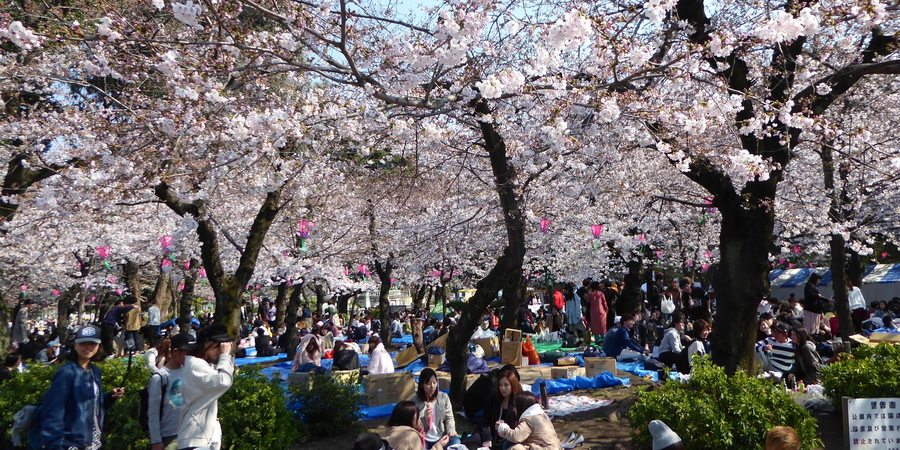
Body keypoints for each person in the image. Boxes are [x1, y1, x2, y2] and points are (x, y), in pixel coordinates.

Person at [28, 325, 126, 449]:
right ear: (75, 345)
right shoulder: (67, 373)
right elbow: (53, 412)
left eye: (93, 343)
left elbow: (91, 407)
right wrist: (55, 445)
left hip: (94, 444)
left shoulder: (95, 371)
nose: (88, 347)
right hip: (70, 444)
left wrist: (110, 397)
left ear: (98, 346)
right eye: (83, 343)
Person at [178, 324, 234, 450]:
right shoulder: (195, 365)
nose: (220, 351)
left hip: (201, 438)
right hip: (195, 439)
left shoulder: (203, 365)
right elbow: (224, 381)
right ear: (206, 344)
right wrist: (225, 356)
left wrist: (226, 357)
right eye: (218, 346)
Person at [149, 334, 195, 450]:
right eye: (187, 354)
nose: (191, 358)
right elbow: (153, 412)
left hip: (189, 433)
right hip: (169, 437)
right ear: (175, 351)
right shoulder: (160, 377)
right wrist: (156, 440)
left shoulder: (189, 371)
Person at [476, 365, 522, 449]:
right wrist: (487, 438)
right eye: (500, 385)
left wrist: (504, 428)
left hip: (509, 437)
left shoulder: (518, 401)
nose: (503, 388)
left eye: (506, 385)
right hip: (492, 436)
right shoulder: (492, 399)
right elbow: (485, 421)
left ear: (513, 385)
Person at [411, 368, 459, 449]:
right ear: (422, 384)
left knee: (456, 442)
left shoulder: (443, 397)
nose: (432, 386)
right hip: (424, 438)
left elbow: (449, 418)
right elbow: (413, 426)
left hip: (441, 438)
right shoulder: (415, 401)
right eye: (428, 383)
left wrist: (451, 430)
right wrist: (424, 420)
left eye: (434, 382)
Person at [496, 392, 560, 450]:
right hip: (553, 447)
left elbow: (516, 437)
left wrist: (503, 428)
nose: (514, 409)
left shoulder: (528, 420)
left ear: (521, 407)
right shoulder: (542, 416)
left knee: (513, 447)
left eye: (515, 406)